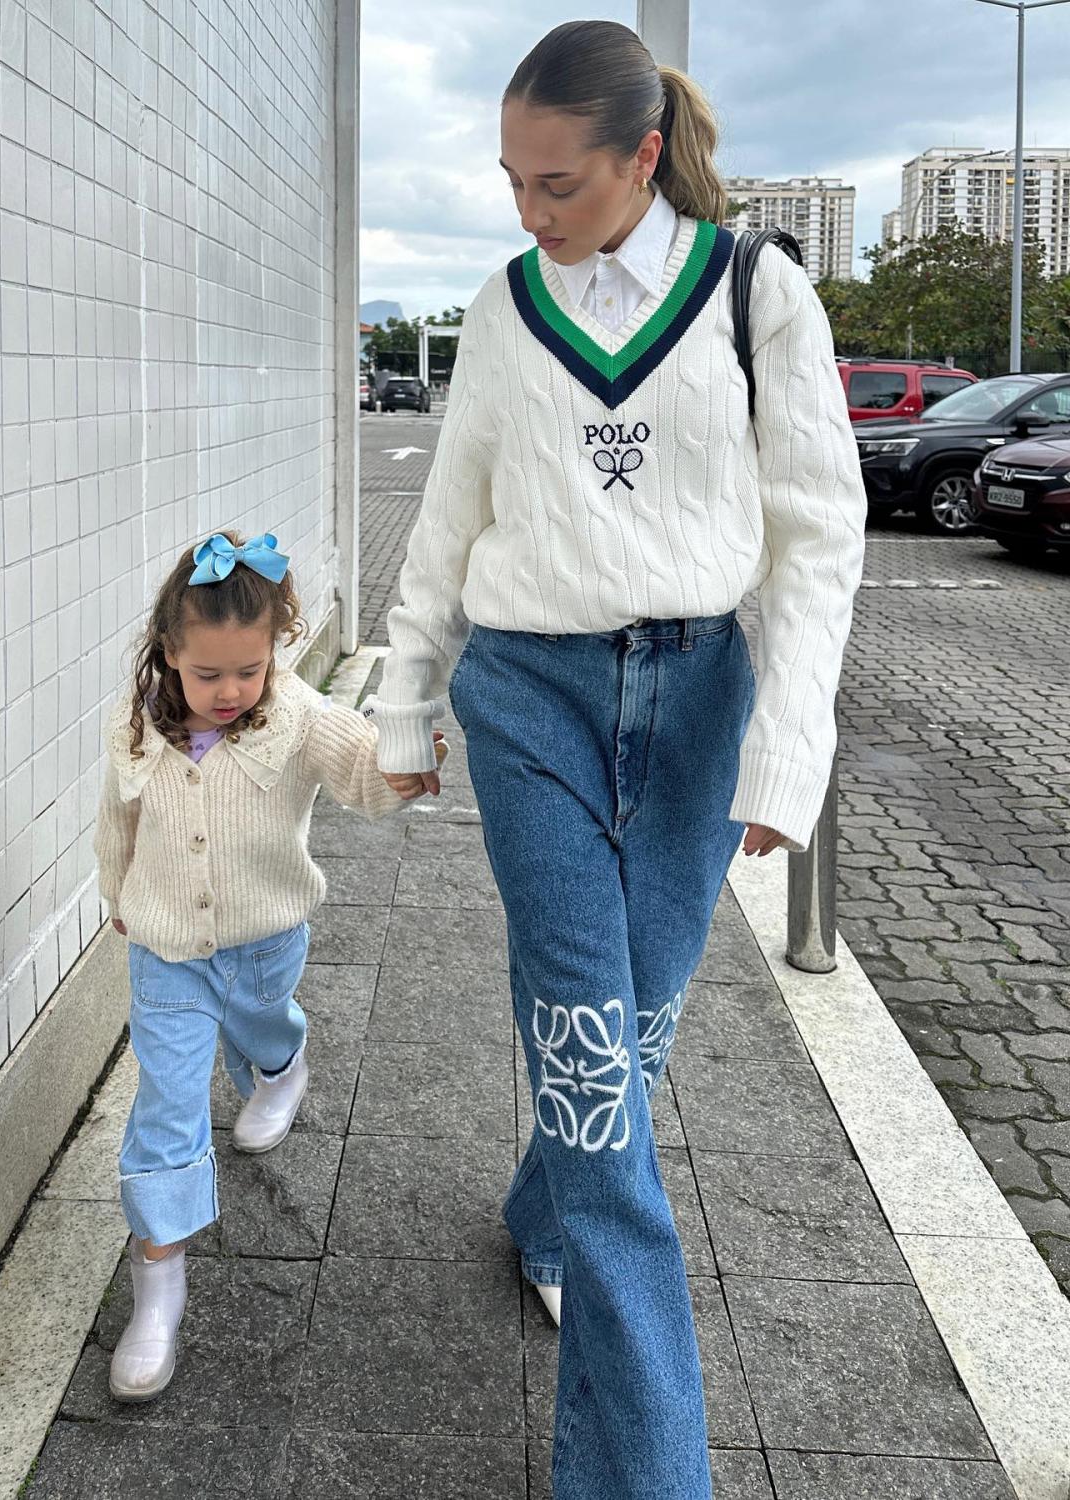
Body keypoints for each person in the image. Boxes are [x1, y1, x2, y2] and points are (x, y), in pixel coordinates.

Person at [363, 20, 865, 1500]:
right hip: (530, 704)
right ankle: (647, 1474)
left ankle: (545, 1207)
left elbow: (818, 537)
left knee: (627, 1029)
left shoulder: (758, 294)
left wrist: (788, 752)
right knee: (597, 1075)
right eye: (512, 182)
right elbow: (448, 524)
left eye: (560, 184)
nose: (531, 213)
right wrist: (405, 711)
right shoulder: (506, 308)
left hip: (700, 701)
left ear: (645, 157)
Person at [93, 528, 442, 1403]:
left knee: (261, 1029)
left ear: (273, 652)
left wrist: (401, 767)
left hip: (264, 941)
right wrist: (120, 900)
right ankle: (159, 1286)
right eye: (207, 675)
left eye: (246, 671)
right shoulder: (136, 727)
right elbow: (116, 822)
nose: (229, 691)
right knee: (169, 1104)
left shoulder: (293, 716)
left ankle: (282, 1068)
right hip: (166, 950)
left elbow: (357, 763)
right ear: (170, 653)